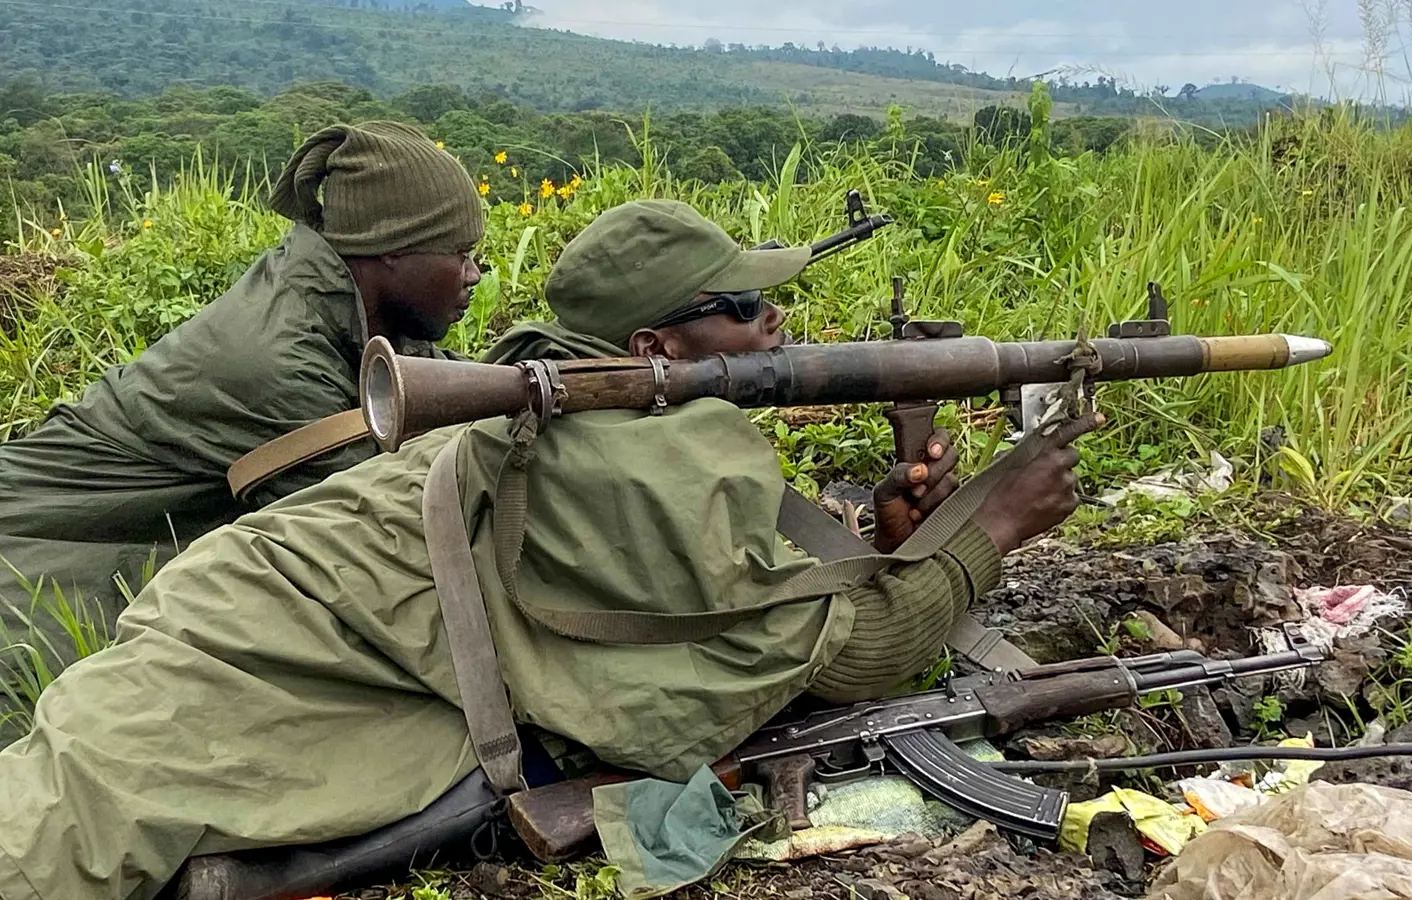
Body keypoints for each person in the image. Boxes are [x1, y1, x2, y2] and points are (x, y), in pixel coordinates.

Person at [0, 199, 1100, 900]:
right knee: (54, 840)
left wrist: (883, 539)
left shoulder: (571, 403)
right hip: (245, 666)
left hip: (243, 616)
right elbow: (840, 654)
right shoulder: (627, 462)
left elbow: (718, 583)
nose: (777, 327)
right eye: (745, 309)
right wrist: (994, 523)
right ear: (653, 348)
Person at [0, 121, 486, 723]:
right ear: (390, 248)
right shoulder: (277, 358)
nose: (474, 275)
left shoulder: (343, 301)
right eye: (461, 254)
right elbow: (393, 529)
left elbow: (456, 385)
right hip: (37, 554)